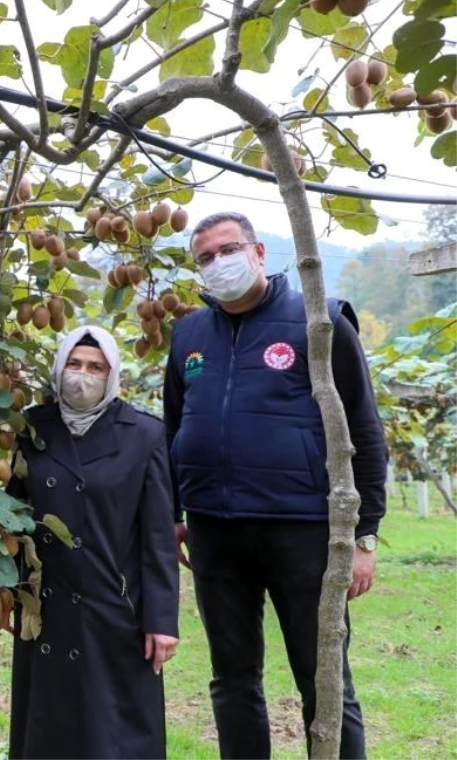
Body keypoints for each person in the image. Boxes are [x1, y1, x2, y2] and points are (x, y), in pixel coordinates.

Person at [164, 212, 388, 760]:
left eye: (228, 249)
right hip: (214, 531)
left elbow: (362, 428)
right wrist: (174, 512)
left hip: (303, 529)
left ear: (259, 252)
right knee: (232, 679)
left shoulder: (320, 321)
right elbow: (173, 424)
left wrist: (364, 536)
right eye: (205, 258)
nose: (219, 264)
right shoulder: (189, 333)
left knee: (324, 678)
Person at [7, 325, 179, 759]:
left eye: (96, 367)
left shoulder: (143, 434)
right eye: (74, 364)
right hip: (47, 605)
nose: (82, 375)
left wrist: (161, 619)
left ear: (112, 373)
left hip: (116, 605)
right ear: (59, 368)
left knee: (114, 729)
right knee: (49, 723)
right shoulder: (30, 429)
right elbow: (10, 516)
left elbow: (158, 536)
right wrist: (9, 592)